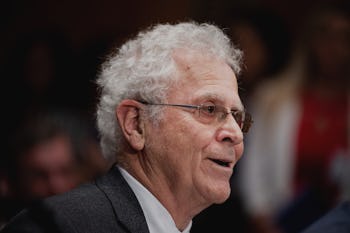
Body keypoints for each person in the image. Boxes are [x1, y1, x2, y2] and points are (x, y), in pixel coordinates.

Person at [0, 21, 252, 233]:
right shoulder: (57, 227)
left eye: (237, 116)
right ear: (135, 125)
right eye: (209, 109)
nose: (235, 134)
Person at [237, 3, 349, 233]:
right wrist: (262, 219)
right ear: (310, 40)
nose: (333, 47)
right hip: (277, 222)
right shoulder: (274, 97)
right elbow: (252, 167)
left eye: (343, 37)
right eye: (324, 34)